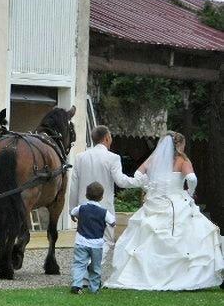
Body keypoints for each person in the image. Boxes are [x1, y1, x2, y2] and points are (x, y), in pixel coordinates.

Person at [106, 132, 224, 291]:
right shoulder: (182, 160)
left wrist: (148, 185)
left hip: (154, 202)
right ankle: (183, 276)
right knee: (187, 236)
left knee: (148, 237)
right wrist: (189, 192)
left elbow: (137, 175)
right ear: (180, 144)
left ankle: (145, 275)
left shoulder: (153, 159)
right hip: (176, 202)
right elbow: (192, 179)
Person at [69, 125, 145, 268]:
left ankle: (83, 271)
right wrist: (139, 181)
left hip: (83, 207)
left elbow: (74, 185)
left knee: (84, 239)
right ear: (107, 138)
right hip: (104, 208)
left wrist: (72, 208)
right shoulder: (113, 158)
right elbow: (121, 181)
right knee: (107, 240)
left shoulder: (80, 157)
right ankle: (91, 268)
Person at [70, 182, 116, 294]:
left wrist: (74, 217)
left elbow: (72, 212)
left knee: (79, 264)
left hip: (81, 241)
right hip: (97, 244)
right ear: (101, 197)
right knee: (95, 267)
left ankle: (77, 285)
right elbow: (113, 222)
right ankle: (94, 288)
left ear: (86, 195)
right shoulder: (104, 212)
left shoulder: (81, 208)